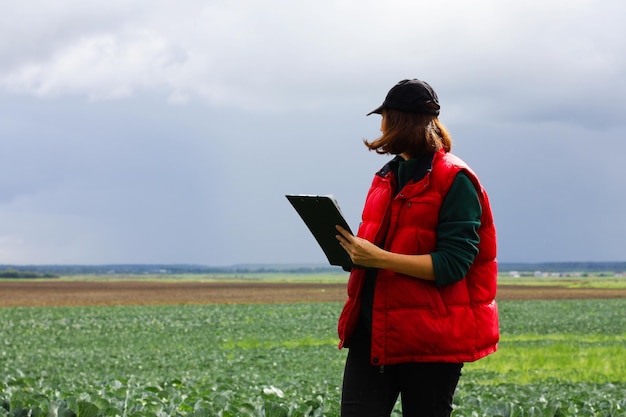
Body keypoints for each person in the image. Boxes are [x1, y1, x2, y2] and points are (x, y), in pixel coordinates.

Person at [334, 79, 499, 417]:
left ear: (396, 121)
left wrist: (378, 258)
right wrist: (356, 256)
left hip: (430, 343)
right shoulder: (385, 177)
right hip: (374, 333)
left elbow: (454, 264)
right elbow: (384, 251)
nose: (380, 125)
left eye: (383, 116)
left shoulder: (456, 180)